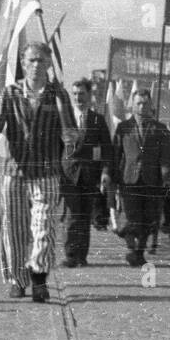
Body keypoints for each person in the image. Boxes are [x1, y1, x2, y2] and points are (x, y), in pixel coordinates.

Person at [0, 41, 75, 302]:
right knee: (14, 228)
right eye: (31, 60)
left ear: (49, 64)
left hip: (46, 172)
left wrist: (67, 127)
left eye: (41, 60)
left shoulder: (57, 95)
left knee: (43, 226)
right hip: (15, 171)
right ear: (23, 64)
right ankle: (17, 279)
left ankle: (38, 277)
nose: (36, 65)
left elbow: (71, 134)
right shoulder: (10, 93)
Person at [112, 87, 170, 269]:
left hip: (151, 180)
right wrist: (111, 176)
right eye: (138, 103)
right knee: (131, 217)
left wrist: (165, 174)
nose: (141, 107)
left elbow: (166, 156)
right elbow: (116, 154)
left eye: (145, 104)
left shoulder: (160, 129)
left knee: (148, 218)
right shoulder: (123, 128)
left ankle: (139, 253)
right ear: (132, 105)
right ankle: (131, 248)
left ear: (150, 105)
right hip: (129, 180)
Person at [60, 78, 113, 267]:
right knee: (72, 214)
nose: (78, 98)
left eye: (81, 94)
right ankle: (70, 254)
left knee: (85, 215)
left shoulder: (97, 120)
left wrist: (105, 172)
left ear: (89, 95)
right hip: (70, 174)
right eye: (74, 94)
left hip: (90, 174)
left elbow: (107, 149)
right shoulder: (65, 118)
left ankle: (82, 255)